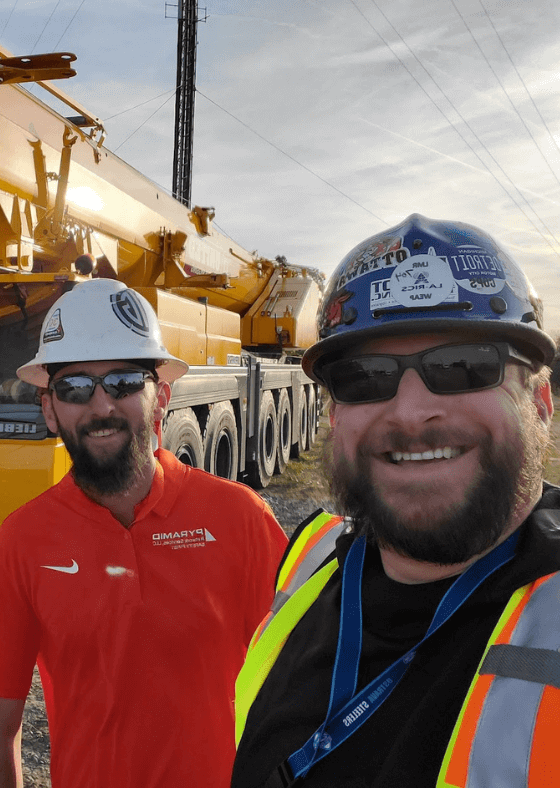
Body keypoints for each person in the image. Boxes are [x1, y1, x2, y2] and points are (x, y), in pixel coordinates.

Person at [231, 214, 559, 788]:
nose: (410, 413)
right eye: (365, 377)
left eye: (461, 367)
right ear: (335, 415)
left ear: (538, 402)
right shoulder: (312, 556)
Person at [0, 278, 288, 788]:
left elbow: (302, 682)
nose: (101, 407)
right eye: (76, 387)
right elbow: (0, 720)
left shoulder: (240, 518)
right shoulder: (23, 539)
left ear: (160, 395)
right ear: (49, 408)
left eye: (123, 383)